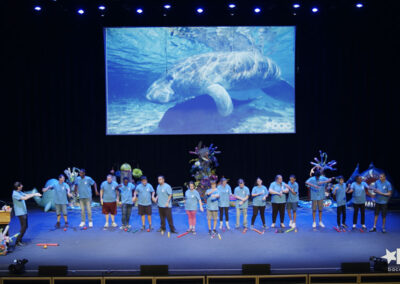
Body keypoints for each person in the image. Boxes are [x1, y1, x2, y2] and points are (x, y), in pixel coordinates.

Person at [12, 182, 41, 246]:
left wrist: (35, 194)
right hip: (20, 213)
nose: (22, 186)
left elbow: (26, 195)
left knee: (25, 226)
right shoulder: (15, 194)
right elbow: (25, 198)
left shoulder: (19, 192)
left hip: (23, 212)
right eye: (21, 185)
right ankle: (17, 241)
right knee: (24, 227)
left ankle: (19, 240)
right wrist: (34, 194)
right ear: (18, 187)